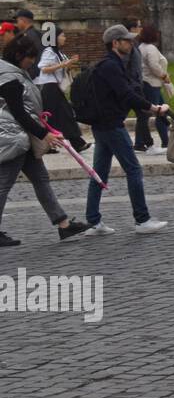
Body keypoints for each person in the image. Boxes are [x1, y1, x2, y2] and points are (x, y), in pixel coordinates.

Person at [0, 35, 91, 247]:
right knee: (3, 185)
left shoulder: (12, 73)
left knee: (40, 178)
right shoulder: (9, 77)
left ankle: (64, 224)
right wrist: (44, 134)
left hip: (21, 137)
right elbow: (19, 113)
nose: (33, 62)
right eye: (30, 57)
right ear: (19, 56)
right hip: (15, 138)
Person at [83, 25, 171, 236]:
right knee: (133, 170)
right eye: (127, 41)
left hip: (101, 126)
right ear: (115, 43)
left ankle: (93, 221)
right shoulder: (112, 66)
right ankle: (142, 220)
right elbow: (127, 94)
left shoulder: (107, 65)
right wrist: (154, 108)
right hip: (112, 126)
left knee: (100, 174)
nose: (131, 44)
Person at [35, 25, 88, 152]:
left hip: (55, 87)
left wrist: (69, 64)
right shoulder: (49, 51)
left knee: (55, 117)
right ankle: (77, 143)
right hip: (49, 87)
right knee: (64, 114)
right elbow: (43, 68)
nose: (65, 38)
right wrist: (64, 64)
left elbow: (60, 68)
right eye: (62, 35)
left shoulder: (59, 53)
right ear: (55, 38)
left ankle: (49, 145)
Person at [136, 25, 171, 156]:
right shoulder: (150, 48)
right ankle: (163, 142)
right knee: (156, 112)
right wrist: (163, 75)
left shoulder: (141, 47)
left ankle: (143, 142)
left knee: (157, 112)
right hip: (152, 83)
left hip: (147, 83)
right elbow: (154, 65)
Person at [121, 17, 153, 152]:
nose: (141, 29)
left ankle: (141, 144)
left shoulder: (134, 46)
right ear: (132, 29)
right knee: (143, 114)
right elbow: (124, 66)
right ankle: (146, 144)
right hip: (132, 87)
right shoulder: (128, 48)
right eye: (138, 26)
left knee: (142, 114)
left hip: (135, 85)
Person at [13, 9, 42, 79]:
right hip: (35, 74)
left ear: (23, 20)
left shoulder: (29, 35)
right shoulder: (35, 33)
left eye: (17, 21)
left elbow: (34, 56)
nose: (16, 24)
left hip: (32, 76)